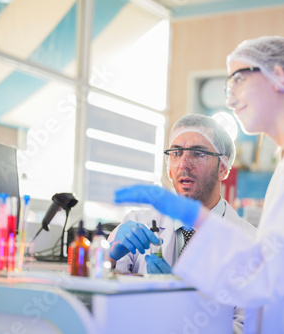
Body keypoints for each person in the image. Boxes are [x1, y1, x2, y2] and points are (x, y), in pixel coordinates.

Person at [114, 36, 284, 333]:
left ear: (277, 76)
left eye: (237, 80)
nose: (230, 99)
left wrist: (194, 218)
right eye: (176, 153)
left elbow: (270, 271)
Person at [108, 114, 257, 334]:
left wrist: (181, 302)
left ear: (223, 168)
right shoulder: (137, 222)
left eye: (198, 153)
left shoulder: (251, 244)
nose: (184, 164)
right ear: (169, 167)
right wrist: (110, 256)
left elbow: (246, 326)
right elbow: (102, 295)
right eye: (176, 153)